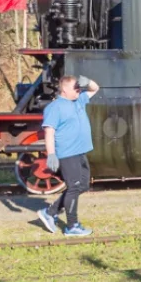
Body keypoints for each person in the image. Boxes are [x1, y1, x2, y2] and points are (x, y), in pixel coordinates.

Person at [37, 75, 100, 237]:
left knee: (83, 185)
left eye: (80, 87)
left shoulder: (79, 100)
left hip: (80, 152)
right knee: (74, 187)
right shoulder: (55, 107)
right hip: (67, 153)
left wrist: (88, 81)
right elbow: (49, 132)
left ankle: (50, 212)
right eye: (76, 87)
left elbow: (95, 88)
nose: (79, 90)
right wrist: (51, 154)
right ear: (64, 90)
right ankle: (72, 226)